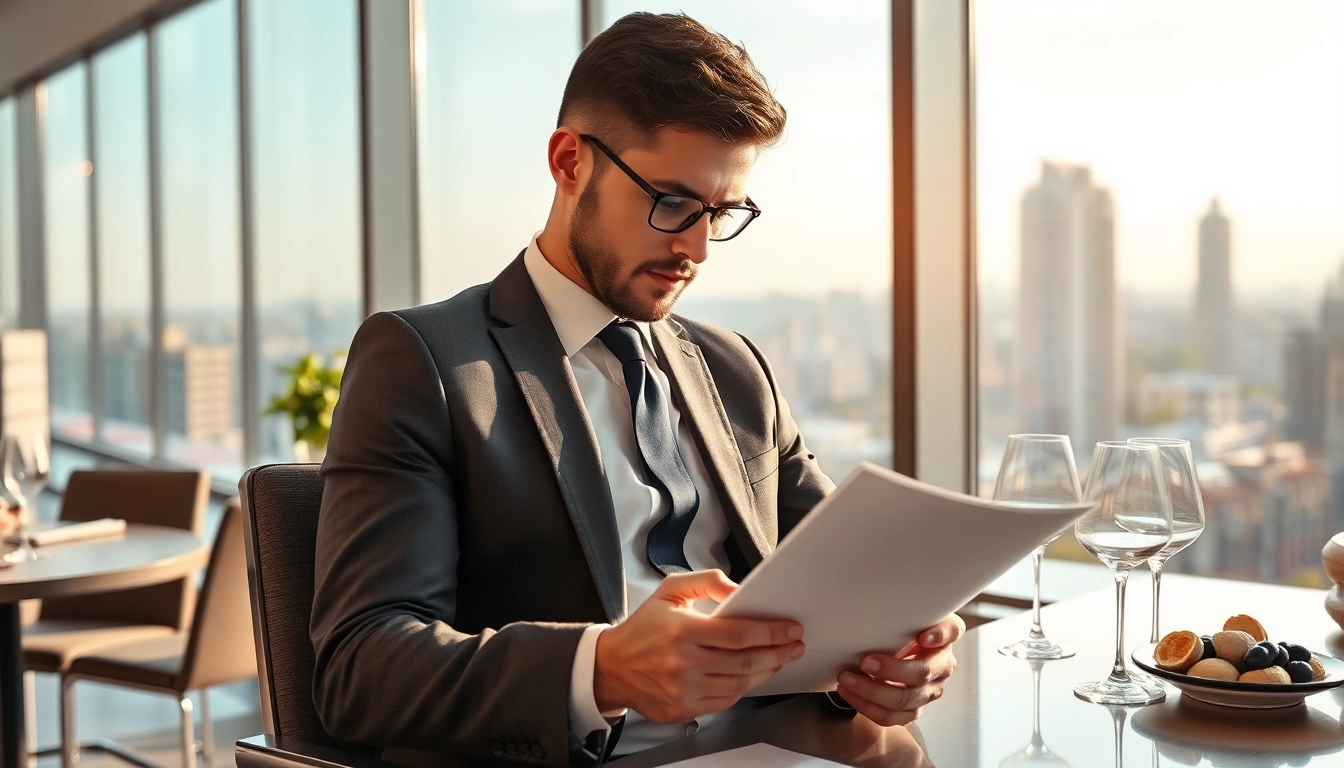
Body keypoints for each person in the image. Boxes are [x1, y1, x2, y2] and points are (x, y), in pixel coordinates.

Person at [310, 11, 963, 766]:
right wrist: (604, 666)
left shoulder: (736, 371)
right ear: (568, 162)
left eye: (720, 214)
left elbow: (851, 577)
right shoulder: (427, 361)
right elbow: (360, 667)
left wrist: (905, 649)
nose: (695, 248)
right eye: (674, 202)